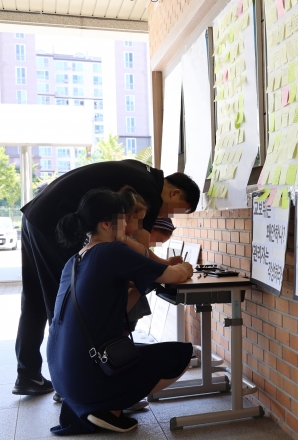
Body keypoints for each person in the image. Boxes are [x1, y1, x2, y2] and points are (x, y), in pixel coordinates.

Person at [14, 159, 200, 396]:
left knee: (34, 299)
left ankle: (27, 374)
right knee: (62, 305)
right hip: (52, 223)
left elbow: (139, 252)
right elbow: (139, 255)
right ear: (174, 192)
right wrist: (164, 268)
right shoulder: (151, 191)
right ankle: (70, 384)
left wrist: (160, 265)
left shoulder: (140, 171)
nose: (167, 215)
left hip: (35, 216)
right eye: (175, 210)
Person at [47, 189, 194, 434]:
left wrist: (138, 287)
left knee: (142, 353)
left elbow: (107, 311)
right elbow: (172, 274)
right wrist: (186, 267)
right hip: (90, 379)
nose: (128, 225)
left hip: (64, 377)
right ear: (106, 224)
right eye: (122, 220)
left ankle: (104, 402)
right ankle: (108, 407)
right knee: (180, 353)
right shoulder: (112, 251)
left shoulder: (74, 260)